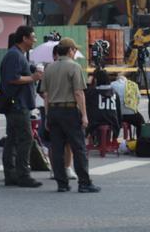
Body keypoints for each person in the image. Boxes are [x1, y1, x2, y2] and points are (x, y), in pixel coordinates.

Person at [41, 38, 99, 193]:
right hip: (69, 110)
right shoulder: (74, 67)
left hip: (53, 111)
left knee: (57, 148)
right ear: (70, 50)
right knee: (78, 147)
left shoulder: (49, 68)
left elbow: (46, 95)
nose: (75, 53)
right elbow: (79, 93)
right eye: (74, 50)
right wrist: (85, 115)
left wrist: (47, 116)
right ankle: (84, 183)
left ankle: (62, 183)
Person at [0, 25, 42, 188]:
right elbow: (13, 78)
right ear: (24, 38)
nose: (34, 40)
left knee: (13, 139)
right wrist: (33, 77)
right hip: (18, 105)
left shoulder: (19, 55)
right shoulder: (14, 55)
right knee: (25, 139)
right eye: (33, 37)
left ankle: (11, 174)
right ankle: (23, 174)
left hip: (18, 104)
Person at [84, 69, 121, 139]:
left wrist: (89, 82)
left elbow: (84, 93)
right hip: (112, 122)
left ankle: (91, 137)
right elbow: (119, 112)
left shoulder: (92, 93)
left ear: (96, 80)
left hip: (95, 122)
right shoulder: (115, 93)